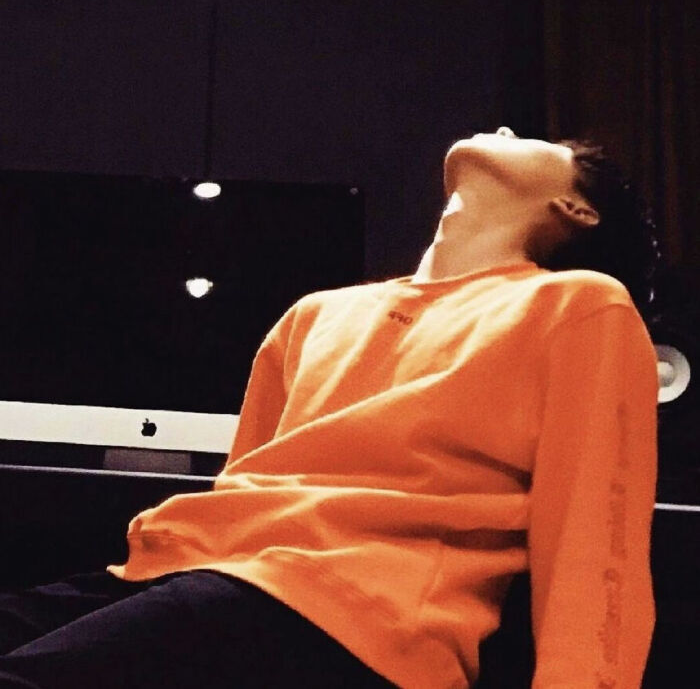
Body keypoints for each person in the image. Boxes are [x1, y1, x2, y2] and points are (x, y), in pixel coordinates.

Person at [0, 127, 661, 688]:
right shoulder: (313, 315)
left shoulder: (581, 304)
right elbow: (245, 483)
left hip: (357, 615)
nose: (508, 130)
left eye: (545, 142)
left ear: (576, 209)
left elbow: (595, 543)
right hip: (188, 573)